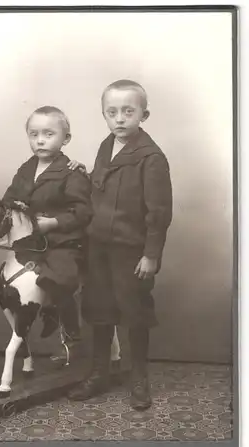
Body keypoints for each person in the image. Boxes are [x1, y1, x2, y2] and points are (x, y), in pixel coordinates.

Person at [68, 80, 173, 410]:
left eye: (129, 111)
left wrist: (151, 254)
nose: (120, 119)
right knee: (100, 310)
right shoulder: (105, 146)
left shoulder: (151, 158)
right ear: (104, 115)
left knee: (134, 313)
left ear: (144, 114)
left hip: (131, 252)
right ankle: (100, 372)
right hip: (97, 246)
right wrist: (82, 174)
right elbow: (101, 190)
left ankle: (139, 378)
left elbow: (159, 212)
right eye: (112, 112)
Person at [1, 106, 92, 342]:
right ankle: (29, 320)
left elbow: (83, 212)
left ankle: (70, 328)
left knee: (58, 279)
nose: (40, 141)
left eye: (48, 134)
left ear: (66, 139)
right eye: (34, 134)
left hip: (62, 242)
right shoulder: (26, 169)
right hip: (31, 242)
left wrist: (54, 222)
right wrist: (13, 207)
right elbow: (9, 197)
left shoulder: (72, 173)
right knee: (3, 278)